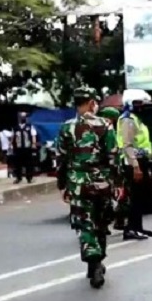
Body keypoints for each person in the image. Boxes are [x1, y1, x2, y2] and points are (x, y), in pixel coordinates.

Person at [56, 87, 120, 289]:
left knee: (85, 223)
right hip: (101, 182)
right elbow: (113, 157)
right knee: (101, 222)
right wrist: (117, 183)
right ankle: (97, 260)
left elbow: (61, 158)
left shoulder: (67, 128)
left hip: (77, 183)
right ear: (92, 102)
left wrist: (62, 185)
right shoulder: (105, 125)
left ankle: (94, 262)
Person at [118, 90, 152, 240]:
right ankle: (130, 229)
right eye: (139, 103)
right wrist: (135, 167)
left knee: (140, 197)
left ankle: (138, 227)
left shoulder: (136, 119)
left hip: (140, 161)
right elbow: (127, 145)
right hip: (132, 163)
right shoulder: (127, 120)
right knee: (133, 197)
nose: (142, 106)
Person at [98, 106, 129, 231]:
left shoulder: (91, 128)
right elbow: (112, 153)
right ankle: (116, 221)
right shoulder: (108, 130)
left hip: (95, 169)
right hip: (108, 170)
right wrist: (117, 173)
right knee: (119, 196)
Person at [11, 112, 37, 184]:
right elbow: (13, 137)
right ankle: (18, 178)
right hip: (18, 148)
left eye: (24, 117)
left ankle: (29, 178)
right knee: (18, 164)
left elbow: (33, 136)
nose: (23, 118)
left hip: (27, 148)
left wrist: (33, 144)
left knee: (29, 163)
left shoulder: (30, 126)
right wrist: (11, 146)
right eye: (22, 117)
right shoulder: (15, 128)